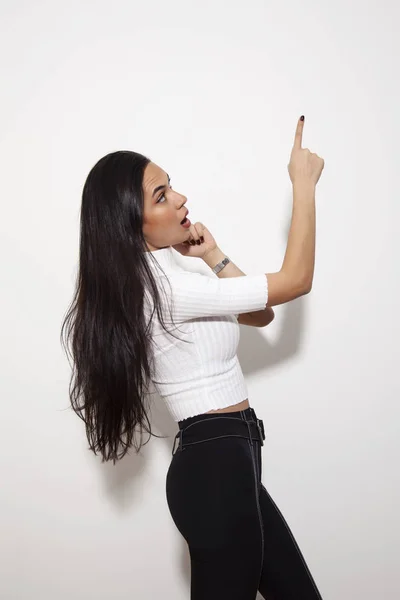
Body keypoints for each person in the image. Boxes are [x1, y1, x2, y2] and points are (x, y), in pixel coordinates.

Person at [61, 115, 324, 599]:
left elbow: (259, 316)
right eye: (160, 195)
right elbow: (296, 280)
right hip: (215, 466)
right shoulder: (163, 291)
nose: (180, 198)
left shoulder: (167, 283)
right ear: (129, 222)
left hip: (232, 459)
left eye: (171, 187)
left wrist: (212, 254)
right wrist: (302, 184)